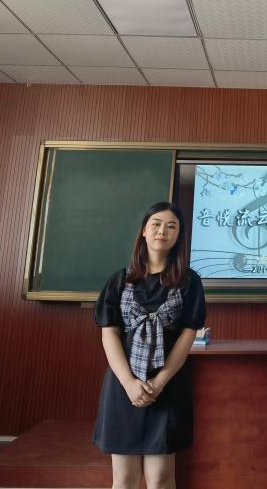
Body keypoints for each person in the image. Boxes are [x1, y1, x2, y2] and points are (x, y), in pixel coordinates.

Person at [94, 202, 206, 489]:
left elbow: (187, 336)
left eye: (171, 226)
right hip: (123, 386)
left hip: (167, 386)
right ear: (144, 231)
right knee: (124, 479)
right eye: (156, 224)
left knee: (160, 478)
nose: (162, 231)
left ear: (178, 236)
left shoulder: (189, 281)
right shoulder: (119, 280)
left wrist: (159, 382)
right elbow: (109, 335)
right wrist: (129, 383)